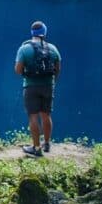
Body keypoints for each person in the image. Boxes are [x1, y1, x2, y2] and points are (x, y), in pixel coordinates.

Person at [14, 20, 61, 157]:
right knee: (46, 114)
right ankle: (47, 144)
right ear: (44, 33)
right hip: (48, 86)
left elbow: (17, 70)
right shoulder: (53, 48)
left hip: (31, 86)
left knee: (33, 116)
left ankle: (36, 147)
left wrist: (26, 73)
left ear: (32, 33)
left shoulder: (24, 49)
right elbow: (58, 68)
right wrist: (52, 82)